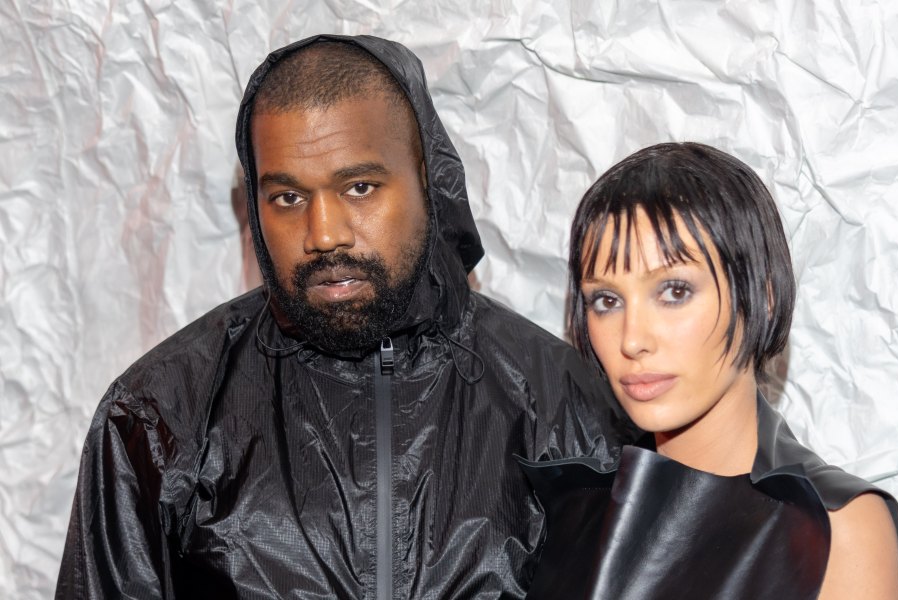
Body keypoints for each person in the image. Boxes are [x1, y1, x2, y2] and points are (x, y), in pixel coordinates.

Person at [55, 35, 634, 599]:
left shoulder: (560, 401)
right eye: (288, 198)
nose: (324, 233)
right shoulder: (160, 414)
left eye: (359, 187)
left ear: (429, 182)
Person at [521, 142, 898, 599]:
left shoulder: (834, 529)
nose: (631, 339)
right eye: (607, 300)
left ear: (761, 297)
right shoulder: (572, 506)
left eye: (674, 291)